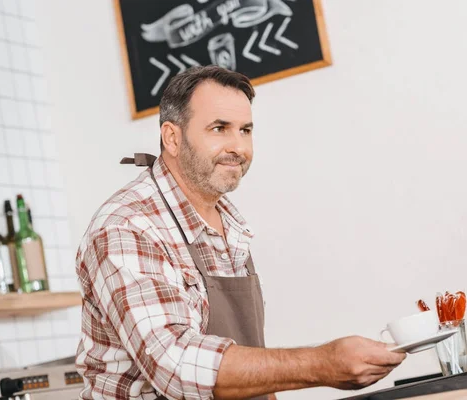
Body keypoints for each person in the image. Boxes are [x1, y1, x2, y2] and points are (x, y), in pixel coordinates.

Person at [75, 66, 406, 400]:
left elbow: (249, 358)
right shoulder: (127, 227)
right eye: (219, 128)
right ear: (172, 138)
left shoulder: (228, 223)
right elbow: (174, 365)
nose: (238, 147)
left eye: (245, 130)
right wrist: (321, 364)